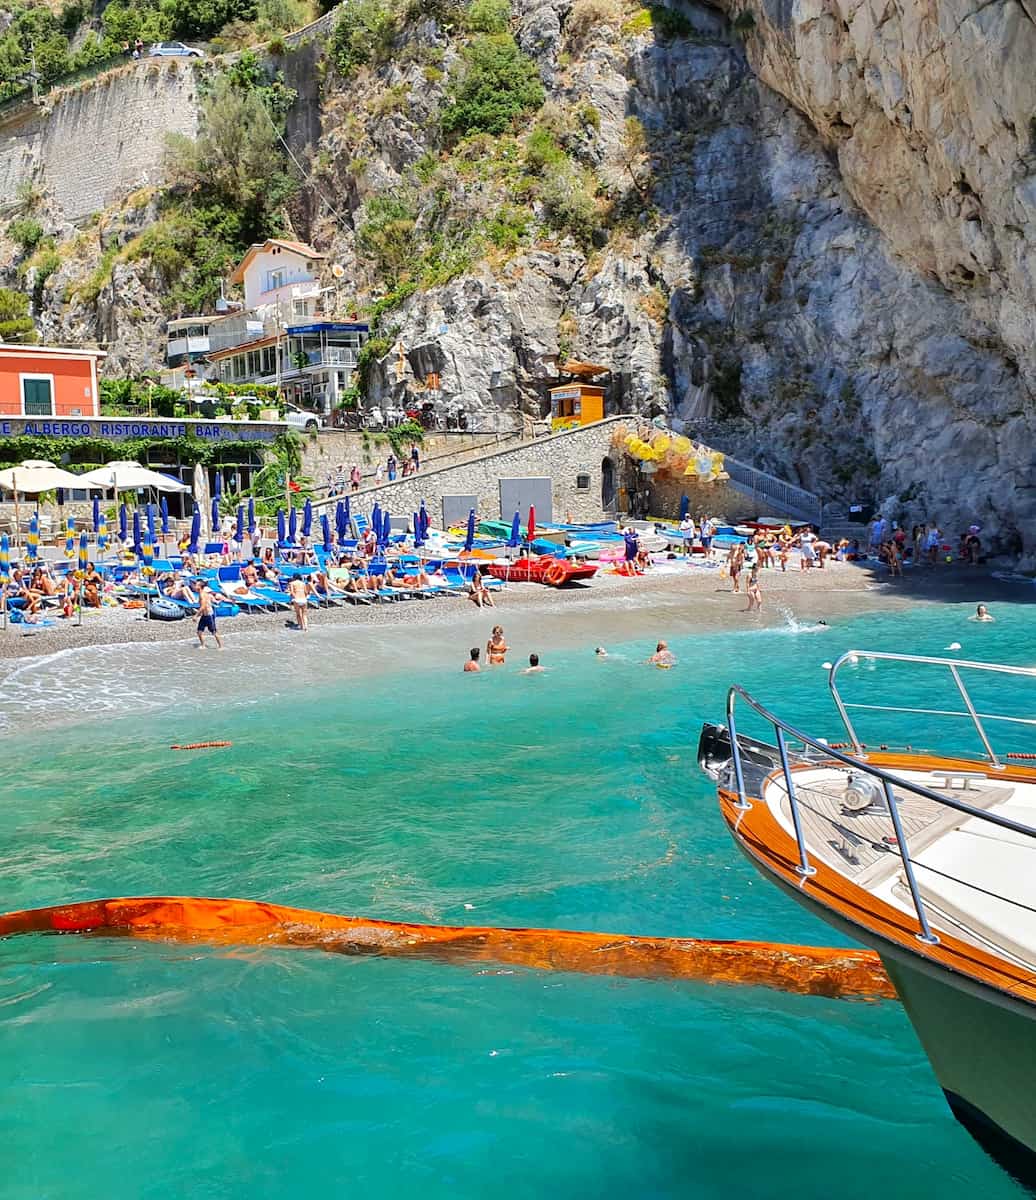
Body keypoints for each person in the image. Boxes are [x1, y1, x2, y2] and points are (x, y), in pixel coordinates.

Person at [196, 582, 223, 649]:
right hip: (204, 615)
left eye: (196, 585)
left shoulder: (203, 595)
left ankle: (221, 646)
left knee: (214, 632)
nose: (195, 586)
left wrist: (196, 616)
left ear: (200, 587)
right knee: (199, 631)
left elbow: (203, 606)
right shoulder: (202, 594)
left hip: (209, 615)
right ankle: (203, 645)